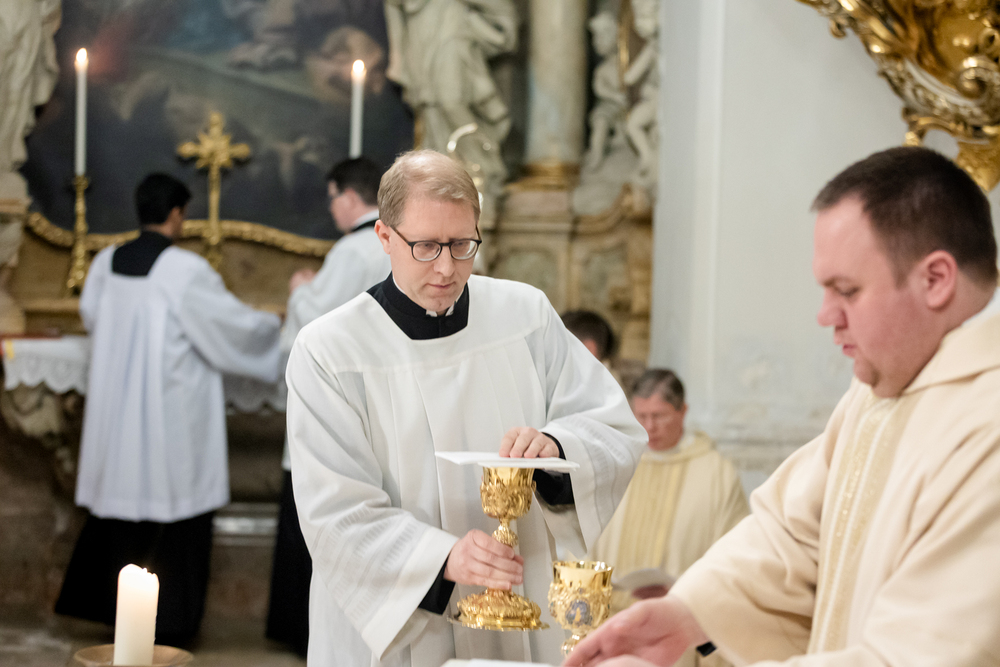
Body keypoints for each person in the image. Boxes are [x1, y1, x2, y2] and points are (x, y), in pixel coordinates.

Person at [565, 146, 1000, 667]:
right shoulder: (883, 388)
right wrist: (687, 612)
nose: (825, 315)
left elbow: (921, 656)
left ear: (936, 279)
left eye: (846, 290)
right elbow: (791, 536)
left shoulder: (987, 423)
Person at [285, 149, 647, 666]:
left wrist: (557, 447)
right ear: (384, 237)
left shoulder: (525, 316)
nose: (446, 267)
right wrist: (440, 559)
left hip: (520, 594)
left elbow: (611, 426)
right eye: (426, 246)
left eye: (462, 245)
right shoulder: (331, 351)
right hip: (399, 628)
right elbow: (334, 509)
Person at [55, 173, 282, 645]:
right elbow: (230, 328)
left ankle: (109, 612)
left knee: (121, 503)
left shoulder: (104, 262)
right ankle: (172, 621)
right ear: (177, 214)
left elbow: (92, 316)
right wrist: (276, 327)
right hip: (171, 412)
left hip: (119, 410)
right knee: (177, 505)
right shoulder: (184, 270)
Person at [266, 156, 391, 655]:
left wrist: (300, 291)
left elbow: (319, 321)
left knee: (315, 507)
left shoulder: (352, 249)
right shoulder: (398, 244)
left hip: (332, 396)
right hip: (377, 398)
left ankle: (301, 627)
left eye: (333, 198)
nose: (332, 209)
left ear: (349, 196)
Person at [590, 369, 747, 661]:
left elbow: (735, 552)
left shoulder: (717, 473)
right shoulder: (617, 466)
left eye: (659, 416)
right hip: (612, 618)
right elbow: (585, 534)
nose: (649, 427)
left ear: (682, 411)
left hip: (678, 623)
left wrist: (683, 591)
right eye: (641, 416)